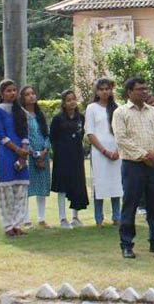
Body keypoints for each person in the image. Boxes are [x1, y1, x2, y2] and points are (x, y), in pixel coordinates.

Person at [113, 77, 154, 259]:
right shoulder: (120, 112)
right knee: (130, 204)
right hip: (133, 165)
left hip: (153, 164)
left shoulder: (152, 111)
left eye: (146, 89)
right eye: (140, 89)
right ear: (129, 92)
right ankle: (127, 244)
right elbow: (121, 139)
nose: (144, 92)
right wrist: (144, 155)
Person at [0, 80, 32, 237]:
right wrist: (18, 150)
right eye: (8, 91)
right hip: (6, 155)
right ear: (1, 94)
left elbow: (25, 134)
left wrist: (23, 155)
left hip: (21, 156)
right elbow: (0, 135)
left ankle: (17, 224)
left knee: (20, 192)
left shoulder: (20, 111)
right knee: (6, 193)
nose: (12, 93)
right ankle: (8, 226)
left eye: (14, 90)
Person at [85, 79, 123, 228]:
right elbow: (90, 133)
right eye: (101, 89)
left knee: (116, 184)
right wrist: (104, 151)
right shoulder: (91, 108)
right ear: (97, 91)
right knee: (99, 184)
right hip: (99, 151)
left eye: (107, 89)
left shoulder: (118, 107)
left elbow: (122, 131)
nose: (105, 92)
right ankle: (98, 218)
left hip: (116, 150)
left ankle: (117, 216)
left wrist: (118, 151)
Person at [50, 90, 89, 228]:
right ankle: (62, 218)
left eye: (73, 99)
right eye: (68, 100)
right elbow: (53, 138)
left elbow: (81, 134)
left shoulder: (81, 118)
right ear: (64, 103)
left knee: (77, 184)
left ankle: (75, 216)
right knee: (62, 186)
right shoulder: (58, 119)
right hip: (62, 157)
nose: (72, 102)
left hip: (77, 155)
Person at [21, 86, 53, 229]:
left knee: (42, 186)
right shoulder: (21, 116)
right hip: (28, 156)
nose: (31, 96)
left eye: (33, 93)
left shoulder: (40, 114)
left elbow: (47, 134)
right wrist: (34, 154)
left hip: (43, 154)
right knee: (27, 187)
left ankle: (41, 218)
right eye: (27, 94)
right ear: (22, 98)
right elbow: (24, 136)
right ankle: (26, 219)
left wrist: (44, 151)